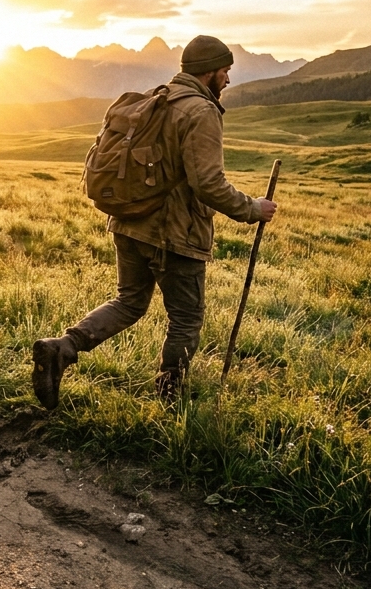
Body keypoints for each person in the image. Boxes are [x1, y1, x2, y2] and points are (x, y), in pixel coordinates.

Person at [32, 35, 278, 407]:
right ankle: (170, 401)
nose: (228, 79)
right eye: (225, 71)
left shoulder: (154, 98)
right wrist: (253, 209)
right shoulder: (201, 111)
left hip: (128, 222)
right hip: (175, 234)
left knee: (129, 302)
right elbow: (208, 184)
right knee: (186, 318)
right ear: (209, 71)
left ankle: (63, 347)